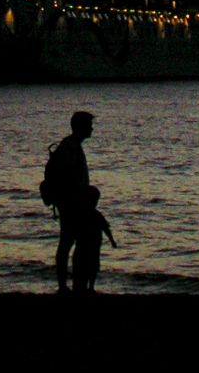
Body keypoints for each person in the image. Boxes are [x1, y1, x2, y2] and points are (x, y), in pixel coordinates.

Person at [43, 111, 95, 292]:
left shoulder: (70, 146)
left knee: (70, 244)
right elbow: (70, 179)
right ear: (80, 127)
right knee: (70, 244)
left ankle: (71, 285)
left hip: (71, 204)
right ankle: (67, 286)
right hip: (72, 205)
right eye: (89, 125)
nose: (92, 128)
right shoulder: (70, 148)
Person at [71, 186, 118, 293]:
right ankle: (84, 286)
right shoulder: (85, 214)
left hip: (92, 246)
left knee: (91, 266)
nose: (94, 203)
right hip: (87, 245)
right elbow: (105, 228)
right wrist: (112, 240)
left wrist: (112, 240)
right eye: (93, 200)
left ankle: (89, 287)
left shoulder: (90, 214)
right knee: (84, 265)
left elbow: (105, 228)